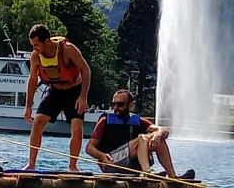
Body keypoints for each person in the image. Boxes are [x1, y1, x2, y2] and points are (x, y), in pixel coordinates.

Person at [24, 23, 90, 172]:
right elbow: (33, 79)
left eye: (36, 45)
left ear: (46, 41)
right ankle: (31, 164)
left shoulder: (68, 49)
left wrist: (83, 96)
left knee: (77, 128)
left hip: (74, 91)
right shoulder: (35, 56)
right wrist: (28, 106)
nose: (34, 49)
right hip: (55, 90)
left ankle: (73, 167)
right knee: (38, 122)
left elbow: (85, 70)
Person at [85, 91, 187, 177]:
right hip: (111, 162)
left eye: (120, 104)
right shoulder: (105, 120)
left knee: (158, 138)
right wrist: (102, 156)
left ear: (130, 105)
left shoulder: (137, 120)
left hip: (132, 164)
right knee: (142, 138)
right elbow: (89, 148)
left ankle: (173, 177)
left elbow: (163, 130)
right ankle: (147, 173)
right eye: (113, 104)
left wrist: (158, 135)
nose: (116, 108)